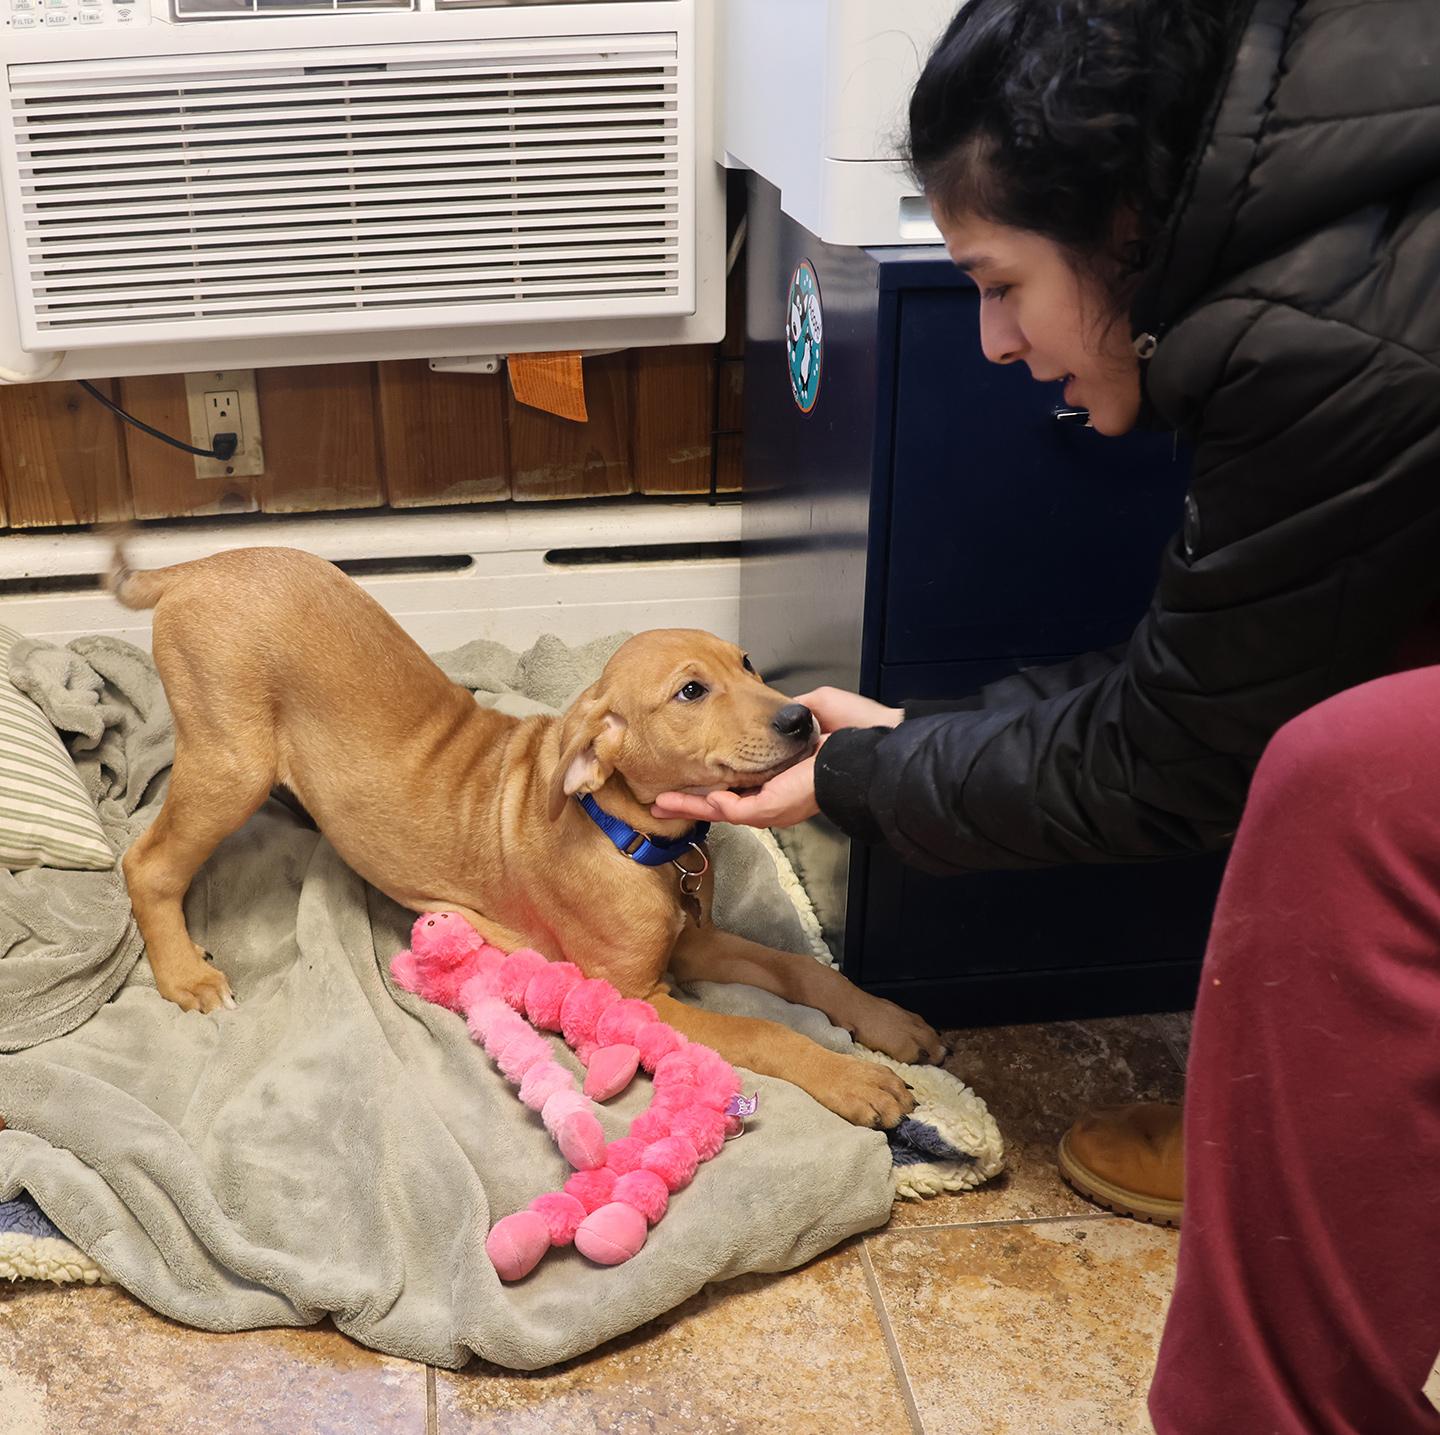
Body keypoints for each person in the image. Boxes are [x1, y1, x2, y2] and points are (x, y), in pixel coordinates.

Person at [654, 0, 1440, 1429]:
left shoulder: (1327, 335)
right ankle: (1313, 1153)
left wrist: (862, 781)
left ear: (1125, 217)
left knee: (1351, 780)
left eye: (1005, 285)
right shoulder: (1323, 215)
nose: (997, 344)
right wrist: (890, 750)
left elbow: (1178, 752)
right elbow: (1221, 671)